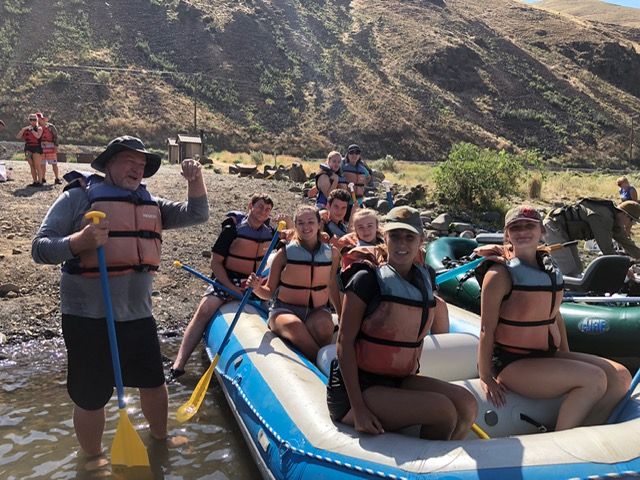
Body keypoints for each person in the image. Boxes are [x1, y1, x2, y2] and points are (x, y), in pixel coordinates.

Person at [32, 135, 209, 458]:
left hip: (138, 315)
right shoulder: (77, 198)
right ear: (109, 163)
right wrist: (79, 241)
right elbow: (39, 248)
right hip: (88, 319)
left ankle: (160, 439)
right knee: (90, 396)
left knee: (154, 383)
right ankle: (93, 458)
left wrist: (195, 180)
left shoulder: (151, 203)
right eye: (130, 161)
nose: (137, 169)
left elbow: (197, 214)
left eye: (142, 164)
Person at [326, 206, 477, 440]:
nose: (401, 244)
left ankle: (444, 454)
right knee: (443, 411)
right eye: (395, 236)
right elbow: (344, 344)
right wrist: (359, 409)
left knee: (467, 403)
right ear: (385, 238)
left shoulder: (426, 278)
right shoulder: (366, 279)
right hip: (358, 388)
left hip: (398, 380)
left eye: (409, 237)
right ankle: (427, 460)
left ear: (421, 241)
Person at [478, 205, 631, 431]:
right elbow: (486, 329)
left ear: (541, 231)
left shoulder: (548, 267)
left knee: (621, 376)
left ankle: (588, 429)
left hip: (546, 355)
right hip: (512, 363)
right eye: (516, 227)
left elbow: (554, 316)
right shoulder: (499, 275)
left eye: (529, 226)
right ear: (507, 234)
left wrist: (566, 356)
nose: (523, 231)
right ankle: (561, 439)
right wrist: (485, 376)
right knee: (594, 379)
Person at [170, 194, 277, 380]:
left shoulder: (272, 233)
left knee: (273, 315)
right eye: (260, 207)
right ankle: (178, 366)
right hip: (226, 281)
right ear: (250, 205)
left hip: (253, 285)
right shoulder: (232, 229)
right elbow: (216, 263)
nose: (263, 212)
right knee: (204, 311)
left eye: (267, 209)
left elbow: (292, 243)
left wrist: (290, 226)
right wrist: (231, 288)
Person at [247, 205, 341, 361]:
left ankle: (319, 361)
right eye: (300, 223)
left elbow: (331, 285)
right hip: (284, 311)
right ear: (295, 226)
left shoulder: (332, 253)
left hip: (317, 311)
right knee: (294, 326)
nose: (306, 227)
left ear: (319, 224)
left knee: (325, 327)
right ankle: (323, 363)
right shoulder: (283, 253)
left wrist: (341, 314)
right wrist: (256, 288)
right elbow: (268, 292)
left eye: (310, 222)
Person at [543, 198, 640, 276]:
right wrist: (625, 270)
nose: (631, 224)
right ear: (625, 214)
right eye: (632, 221)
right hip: (553, 227)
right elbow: (607, 251)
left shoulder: (615, 220)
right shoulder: (603, 217)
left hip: (565, 233)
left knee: (577, 270)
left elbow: (627, 243)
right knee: (568, 270)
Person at [341, 144, 370, 213]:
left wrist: (363, 184)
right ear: (347, 155)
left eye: (357, 153)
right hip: (346, 202)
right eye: (351, 152)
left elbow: (368, 177)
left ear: (359, 155)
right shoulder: (342, 167)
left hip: (359, 202)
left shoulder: (362, 169)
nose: (354, 155)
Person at [16, 113, 43, 186]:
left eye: (34, 119)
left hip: (36, 148)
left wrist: (32, 130)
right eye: (31, 119)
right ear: (29, 120)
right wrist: (23, 130)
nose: (33, 121)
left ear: (37, 120)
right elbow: (18, 137)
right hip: (28, 148)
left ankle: (40, 182)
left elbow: (38, 136)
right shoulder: (26, 129)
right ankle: (35, 181)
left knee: (37, 165)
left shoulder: (39, 128)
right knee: (32, 165)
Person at [38, 112, 62, 185]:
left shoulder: (50, 127)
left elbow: (56, 136)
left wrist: (56, 146)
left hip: (51, 146)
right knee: (42, 164)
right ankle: (43, 178)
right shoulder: (37, 127)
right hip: (41, 147)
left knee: (54, 163)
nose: (39, 121)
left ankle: (57, 178)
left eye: (39, 119)